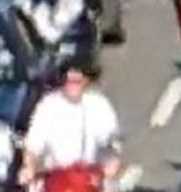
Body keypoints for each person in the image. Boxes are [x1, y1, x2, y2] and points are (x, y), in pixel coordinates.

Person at [19, 58, 121, 192]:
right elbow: (33, 145)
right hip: (55, 177)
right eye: (69, 81)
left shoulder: (99, 105)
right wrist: (29, 166)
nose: (73, 86)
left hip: (90, 177)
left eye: (77, 82)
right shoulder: (48, 106)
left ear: (86, 80)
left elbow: (110, 142)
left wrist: (112, 161)